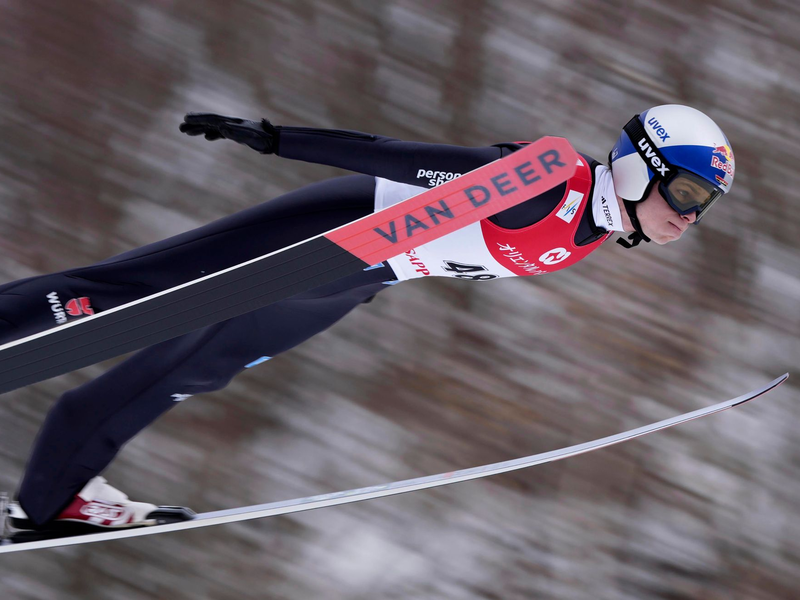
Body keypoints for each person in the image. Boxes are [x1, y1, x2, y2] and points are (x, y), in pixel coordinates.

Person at [3, 104, 735, 535]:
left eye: (702, 205)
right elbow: (412, 161)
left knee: (191, 369)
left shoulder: (595, 232)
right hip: (332, 233)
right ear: (639, 165)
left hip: (358, 278)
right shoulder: (551, 179)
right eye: (687, 192)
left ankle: (51, 495)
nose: (688, 216)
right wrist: (275, 138)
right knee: (135, 291)